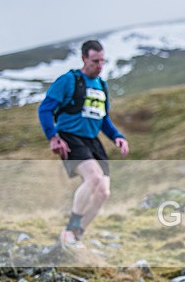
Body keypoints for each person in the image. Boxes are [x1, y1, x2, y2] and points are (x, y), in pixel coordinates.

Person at [37, 40, 129, 247]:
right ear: (84, 59)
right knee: (94, 177)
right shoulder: (69, 80)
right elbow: (45, 109)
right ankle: (70, 229)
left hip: (92, 141)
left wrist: (117, 136)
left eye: (102, 61)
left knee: (104, 192)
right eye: (95, 61)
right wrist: (53, 137)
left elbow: (103, 118)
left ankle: (77, 235)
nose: (99, 66)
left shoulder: (101, 85)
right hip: (69, 138)